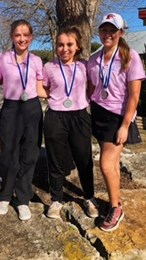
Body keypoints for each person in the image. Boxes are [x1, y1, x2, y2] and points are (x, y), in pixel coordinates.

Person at [87, 13, 146, 232]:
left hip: (118, 116)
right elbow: (91, 89)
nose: (108, 34)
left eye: (113, 30)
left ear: (121, 32)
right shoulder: (94, 59)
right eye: (104, 29)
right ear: (99, 31)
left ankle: (115, 207)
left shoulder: (130, 56)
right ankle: (116, 200)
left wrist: (125, 125)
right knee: (111, 165)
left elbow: (134, 95)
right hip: (99, 113)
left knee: (105, 164)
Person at [42, 26, 98, 219]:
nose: (64, 48)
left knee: (84, 159)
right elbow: (42, 88)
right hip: (56, 116)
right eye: (60, 45)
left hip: (79, 116)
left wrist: (82, 100)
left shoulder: (84, 66)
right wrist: (54, 97)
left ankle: (89, 197)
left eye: (69, 44)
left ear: (78, 46)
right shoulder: (49, 67)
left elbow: (91, 87)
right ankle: (56, 200)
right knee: (55, 161)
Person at [0, 19, 44, 221]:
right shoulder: (3, 59)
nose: (22, 38)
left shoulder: (37, 61)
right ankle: (5, 195)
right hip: (11, 108)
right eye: (17, 35)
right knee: (8, 154)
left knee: (30, 154)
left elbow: (40, 88)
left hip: (32, 108)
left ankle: (23, 198)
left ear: (31, 37)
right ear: (12, 37)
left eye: (25, 35)